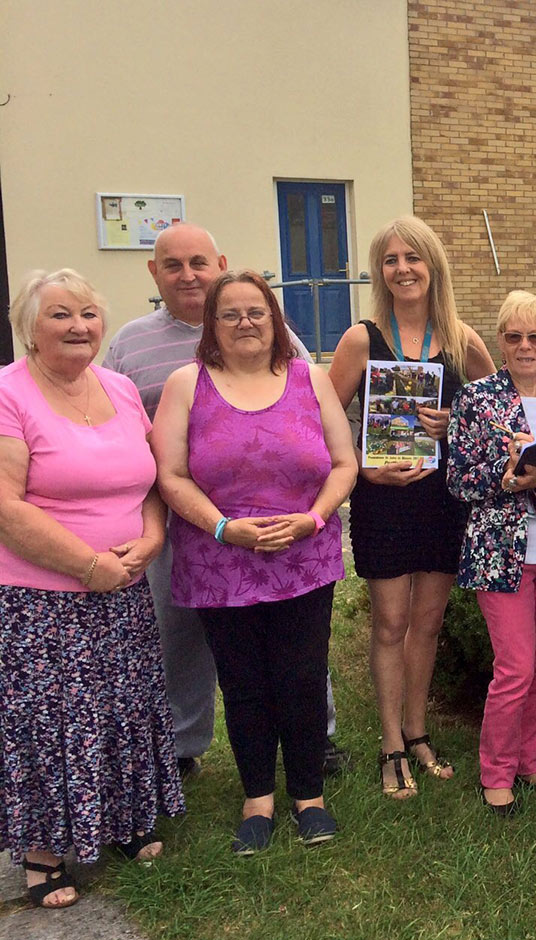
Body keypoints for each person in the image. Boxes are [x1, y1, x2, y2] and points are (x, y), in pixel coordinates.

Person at [101, 223, 342, 778]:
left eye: (198, 263)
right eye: (173, 264)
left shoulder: (296, 360)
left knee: (302, 654)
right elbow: (135, 443)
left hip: (296, 540)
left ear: (218, 264)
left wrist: (314, 514)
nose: (187, 274)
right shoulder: (131, 345)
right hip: (190, 529)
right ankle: (186, 747)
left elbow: (318, 428)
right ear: (154, 273)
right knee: (185, 639)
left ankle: (314, 741)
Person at [152, 270, 356, 853]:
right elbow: (170, 474)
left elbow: (343, 463)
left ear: (275, 320)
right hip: (221, 561)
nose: (246, 323)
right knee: (243, 683)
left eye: (256, 312)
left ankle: (310, 797)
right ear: (211, 326)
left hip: (303, 556)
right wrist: (223, 527)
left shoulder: (308, 379)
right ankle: (257, 799)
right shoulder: (187, 384)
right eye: (231, 314)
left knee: (301, 676)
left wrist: (313, 519)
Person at [1, 270, 184, 909]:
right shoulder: (9, 393)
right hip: (43, 599)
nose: (77, 326)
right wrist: (86, 566)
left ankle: (124, 820)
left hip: (125, 585)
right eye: (59, 315)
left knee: (124, 707)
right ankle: (44, 851)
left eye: (86, 313)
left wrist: (153, 538)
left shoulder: (121, 388)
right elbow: (6, 506)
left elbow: (153, 480)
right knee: (54, 721)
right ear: (29, 325)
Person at [328, 217, 495, 799]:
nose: (403, 269)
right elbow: (324, 421)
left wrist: (459, 421)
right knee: (391, 622)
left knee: (427, 623)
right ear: (381, 271)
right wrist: (360, 468)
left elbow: (496, 414)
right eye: (391, 260)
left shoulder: (461, 340)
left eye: (413, 258)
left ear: (433, 266)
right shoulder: (360, 338)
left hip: (442, 498)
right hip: (382, 499)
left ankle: (418, 733)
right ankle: (390, 741)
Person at [446, 291, 536, 815]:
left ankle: (530, 762)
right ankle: (496, 771)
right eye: (514, 337)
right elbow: (459, 480)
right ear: (500, 342)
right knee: (514, 668)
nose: (525, 347)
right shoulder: (476, 399)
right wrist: (507, 478)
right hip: (501, 555)